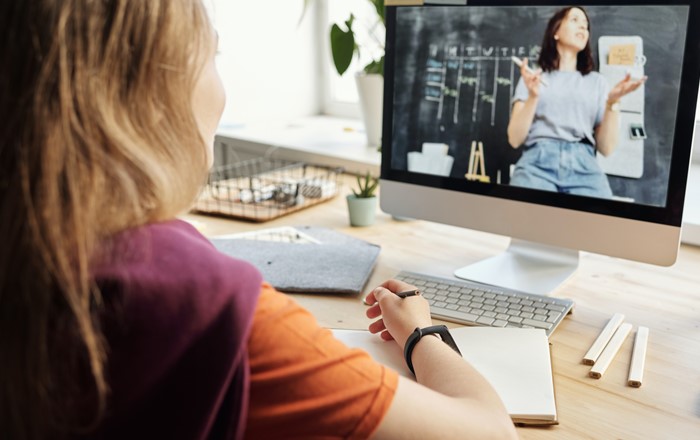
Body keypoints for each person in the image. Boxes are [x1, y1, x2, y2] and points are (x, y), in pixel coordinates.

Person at [0, 1, 518, 439]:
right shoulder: (212, 307)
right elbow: (488, 431)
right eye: (213, 56)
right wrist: (420, 334)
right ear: (151, 93)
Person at [507, 6, 646, 198]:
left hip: (584, 165)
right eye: (574, 20)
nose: (582, 27)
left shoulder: (597, 82)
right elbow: (515, 139)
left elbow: (606, 148)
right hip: (537, 162)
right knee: (522, 221)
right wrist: (533, 96)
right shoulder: (533, 77)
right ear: (556, 31)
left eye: (586, 25)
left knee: (601, 222)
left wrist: (612, 103)